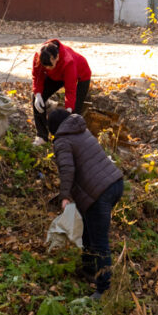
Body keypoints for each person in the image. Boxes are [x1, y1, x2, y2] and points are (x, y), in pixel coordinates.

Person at [47, 109, 124, 300]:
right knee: (89, 229)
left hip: (100, 192)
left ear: (54, 129)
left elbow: (67, 169)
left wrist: (64, 196)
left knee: (100, 242)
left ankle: (104, 290)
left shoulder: (62, 140)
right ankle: (89, 268)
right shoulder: (81, 130)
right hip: (115, 183)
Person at [32, 40, 92, 146]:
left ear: (57, 57)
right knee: (36, 98)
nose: (47, 69)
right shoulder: (39, 55)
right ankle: (42, 135)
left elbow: (70, 90)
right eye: (45, 66)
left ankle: (72, 141)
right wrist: (37, 94)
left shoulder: (68, 61)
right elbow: (37, 76)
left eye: (50, 66)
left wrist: (68, 110)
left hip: (81, 74)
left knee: (74, 112)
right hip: (56, 75)